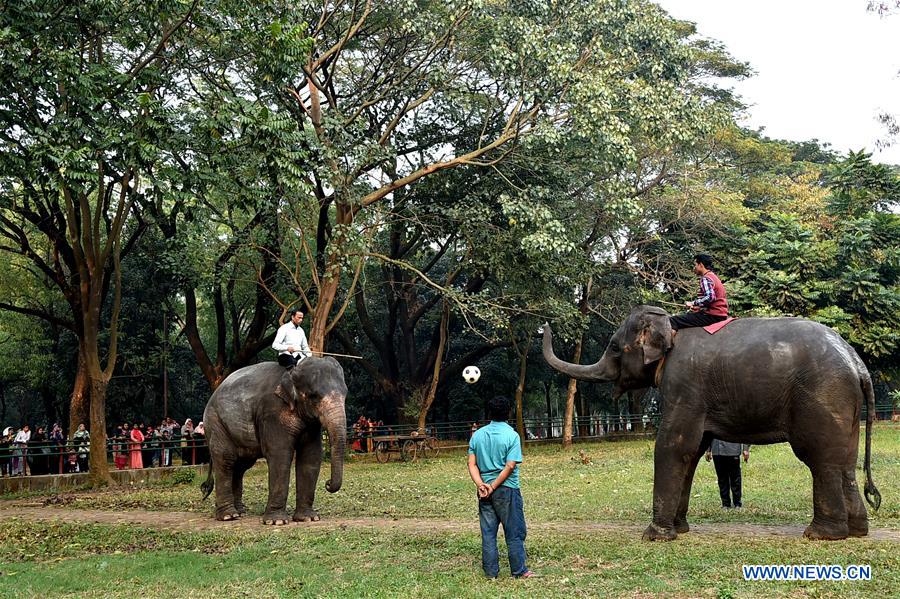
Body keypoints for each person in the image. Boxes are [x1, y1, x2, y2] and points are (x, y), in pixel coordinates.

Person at [467, 396, 534, 579]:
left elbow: (471, 464)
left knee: (488, 533)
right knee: (514, 531)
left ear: (489, 413)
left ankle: (491, 573)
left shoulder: (477, 436)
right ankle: (519, 571)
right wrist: (493, 485)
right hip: (507, 490)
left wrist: (481, 485)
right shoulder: (512, 435)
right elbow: (510, 465)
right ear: (508, 413)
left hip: (484, 492)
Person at [669, 254, 729, 330]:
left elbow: (710, 297)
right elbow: (714, 300)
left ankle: (669, 342)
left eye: (695, 265)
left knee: (673, 320)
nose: (694, 268)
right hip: (720, 314)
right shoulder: (713, 276)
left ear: (700, 265)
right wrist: (699, 307)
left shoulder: (705, 278)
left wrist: (693, 303)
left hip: (713, 316)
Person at [705, 439, 750, 509]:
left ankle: (737, 503)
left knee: (735, 478)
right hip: (717, 450)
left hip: (733, 450)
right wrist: (708, 449)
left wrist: (746, 448)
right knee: (721, 478)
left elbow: (744, 431)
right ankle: (725, 503)